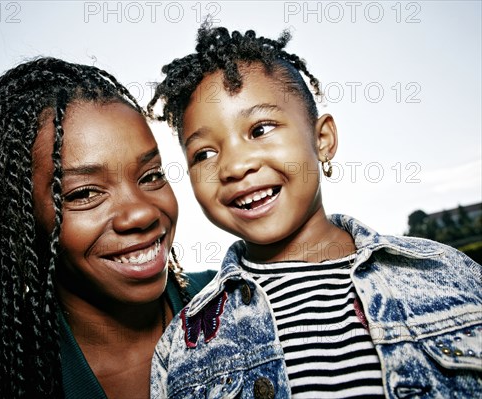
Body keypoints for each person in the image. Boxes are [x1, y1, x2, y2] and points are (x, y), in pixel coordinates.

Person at [147, 23, 482, 398]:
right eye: (204, 154)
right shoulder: (183, 344)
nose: (235, 166)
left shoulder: (445, 272)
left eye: (260, 129)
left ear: (322, 140)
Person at [0, 57, 215, 399]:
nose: (141, 214)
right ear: (22, 222)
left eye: (150, 176)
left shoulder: (241, 298)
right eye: (84, 193)